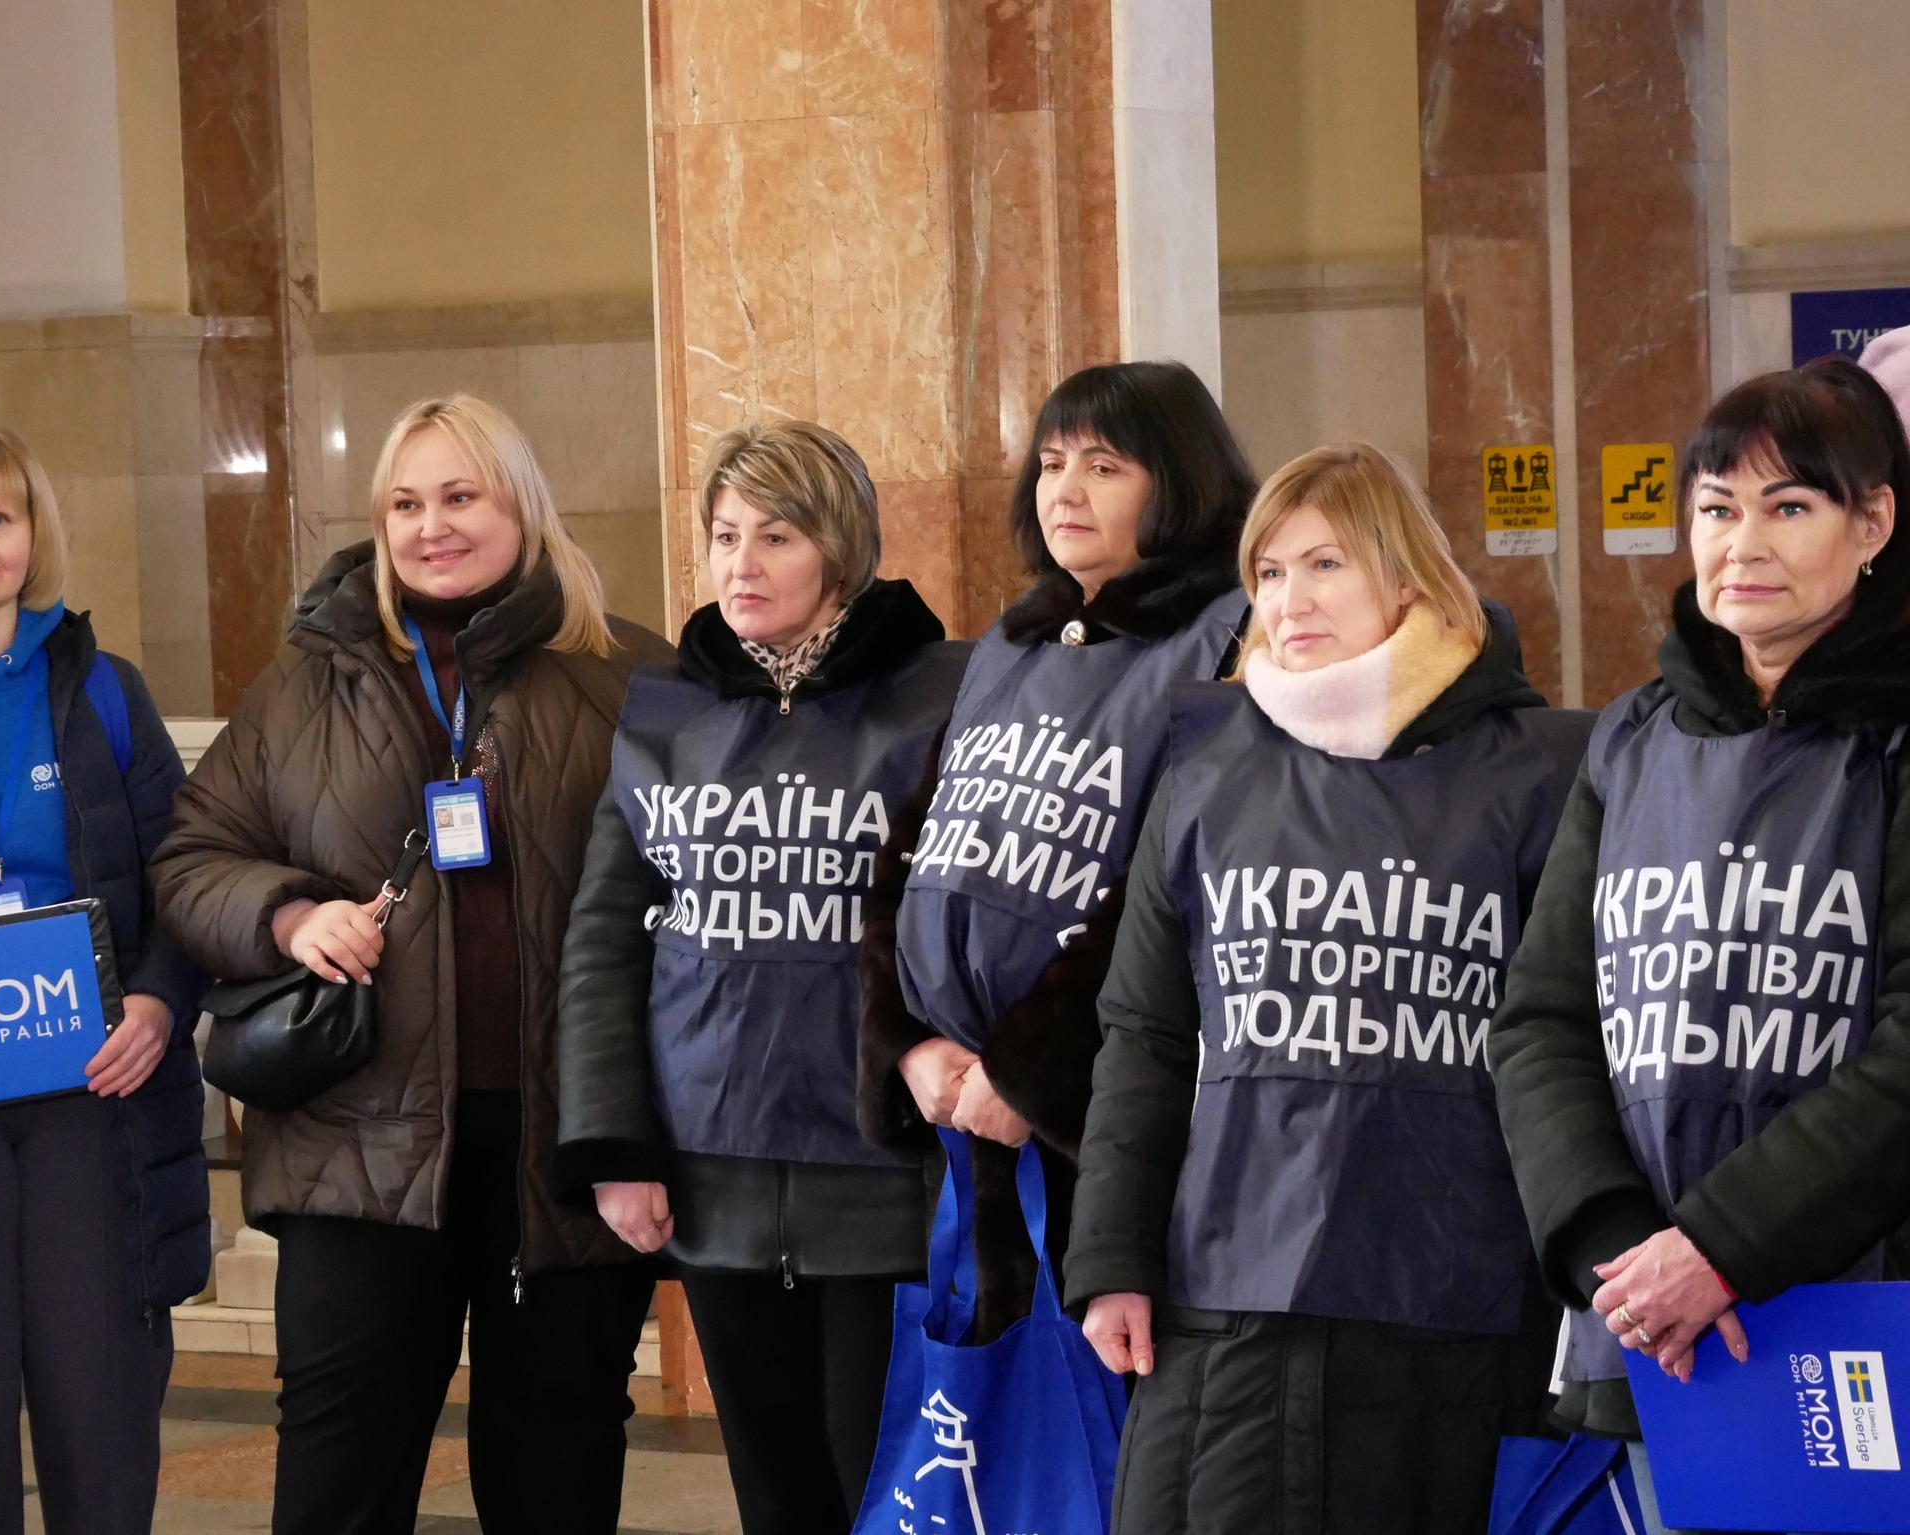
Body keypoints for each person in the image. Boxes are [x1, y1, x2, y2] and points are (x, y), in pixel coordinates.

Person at [149, 395, 671, 1535]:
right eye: (405, 502)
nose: (431, 526)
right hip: (355, 1144)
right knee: (338, 1481)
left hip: (562, 1147)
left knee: (558, 1471)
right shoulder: (307, 682)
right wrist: (289, 915)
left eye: (460, 495)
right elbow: (190, 857)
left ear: (520, 505)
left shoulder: (625, 673)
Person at [1061, 443, 1587, 1534]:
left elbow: (1567, 1038)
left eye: (1325, 564)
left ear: (1404, 576)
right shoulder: (1205, 765)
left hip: (1444, 1300)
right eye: (1268, 571)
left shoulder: (1540, 768)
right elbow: (1144, 1032)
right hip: (1223, 1293)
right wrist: (1110, 1257)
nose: (1289, 600)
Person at [1491, 358, 1910, 1533]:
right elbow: (1540, 1021)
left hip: (1855, 1298)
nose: (1743, 542)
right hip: (1652, 1320)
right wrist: (1618, 1247)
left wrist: (1718, 1246)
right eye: (1717, 507)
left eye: (1789, 506)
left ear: (1871, 522)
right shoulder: (1630, 738)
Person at [556, 421, 967, 1535]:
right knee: (775, 1498)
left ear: (840, 547)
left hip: (883, 1178)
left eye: (776, 536)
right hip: (714, 1174)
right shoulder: (665, 710)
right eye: (725, 534)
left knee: (888, 1494)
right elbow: (604, 937)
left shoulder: (942, 697)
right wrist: (612, 1145)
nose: (741, 563)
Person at [858, 360, 1258, 1339]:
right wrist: (905, 1041)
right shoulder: (1016, 640)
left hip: (1106, 1128)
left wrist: (1028, 1073)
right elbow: (911, 855)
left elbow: (1171, 890)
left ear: (1178, 482)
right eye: (1049, 463)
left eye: (1104, 466)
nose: (1065, 491)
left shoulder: (1231, 639)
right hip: (962, 1114)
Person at [0, 423, 208, 1535]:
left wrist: (158, 1001)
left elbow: (185, 880)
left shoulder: (105, 691)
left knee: (100, 1429)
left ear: (34, 533)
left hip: (92, 1101)